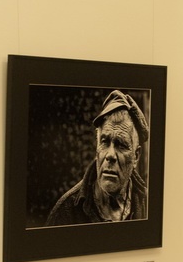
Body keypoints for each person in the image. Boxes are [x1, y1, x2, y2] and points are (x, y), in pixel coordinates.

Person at [45, 90, 148, 226]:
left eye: (121, 145)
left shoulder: (147, 204)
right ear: (97, 147)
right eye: (104, 142)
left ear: (136, 156)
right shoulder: (66, 212)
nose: (110, 155)